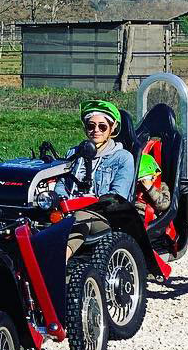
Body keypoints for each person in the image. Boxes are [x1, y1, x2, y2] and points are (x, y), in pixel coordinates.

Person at [55, 98, 135, 259]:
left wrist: (82, 205)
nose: (96, 130)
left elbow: (117, 198)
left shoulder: (122, 157)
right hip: (67, 211)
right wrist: (61, 202)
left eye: (102, 126)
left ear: (112, 128)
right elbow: (61, 184)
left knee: (80, 218)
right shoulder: (74, 153)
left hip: (105, 217)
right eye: (91, 126)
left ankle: (58, 262)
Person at [137, 148, 171, 214]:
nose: (142, 183)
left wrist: (150, 188)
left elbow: (164, 205)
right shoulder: (134, 188)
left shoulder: (161, 186)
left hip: (149, 216)